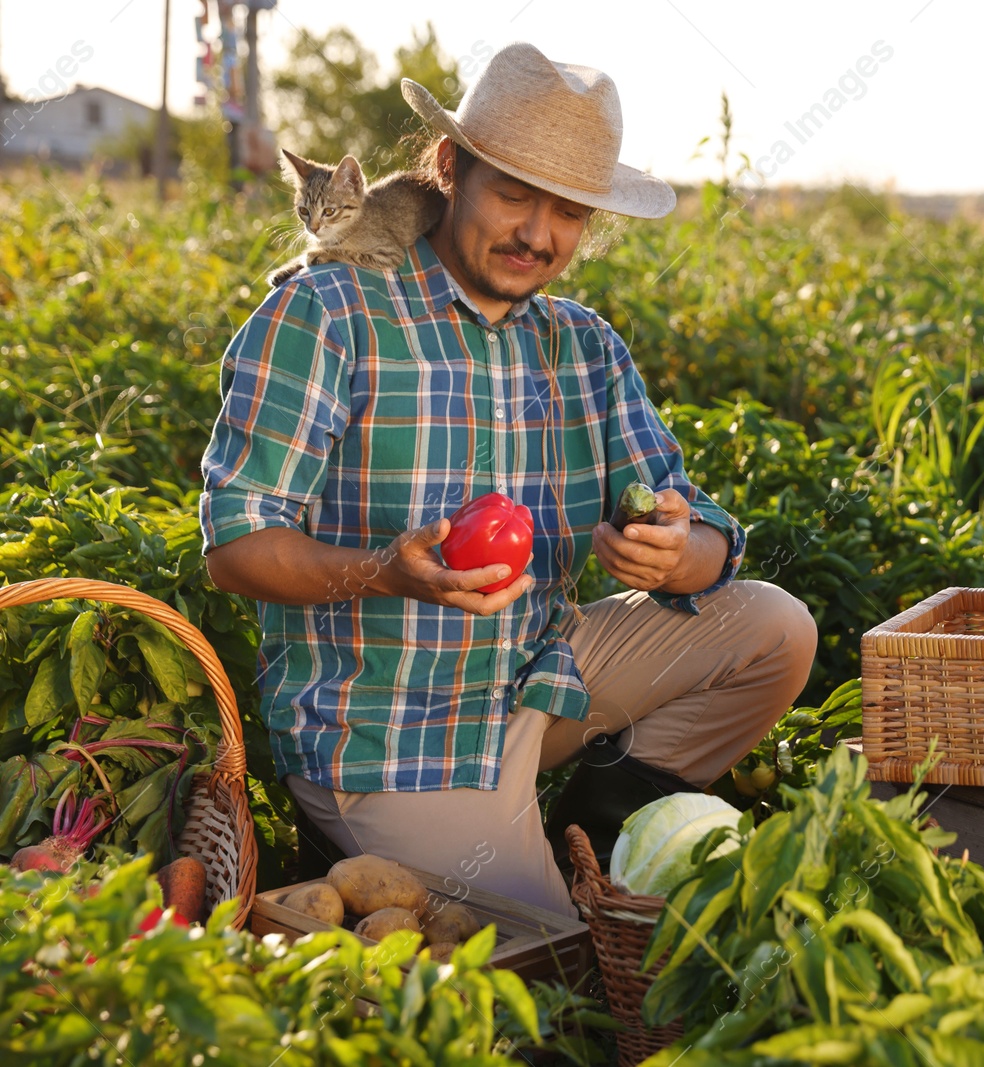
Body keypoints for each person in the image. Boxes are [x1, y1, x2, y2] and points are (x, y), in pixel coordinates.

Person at [198, 42, 817, 918]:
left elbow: (704, 529)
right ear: (450, 168)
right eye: (515, 196)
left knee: (775, 629)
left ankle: (591, 836)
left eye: (567, 211)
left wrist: (674, 549)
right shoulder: (330, 311)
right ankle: (461, 860)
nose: (538, 234)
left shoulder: (583, 343)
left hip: (539, 682)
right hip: (392, 731)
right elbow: (237, 544)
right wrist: (385, 571)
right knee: (552, 982)